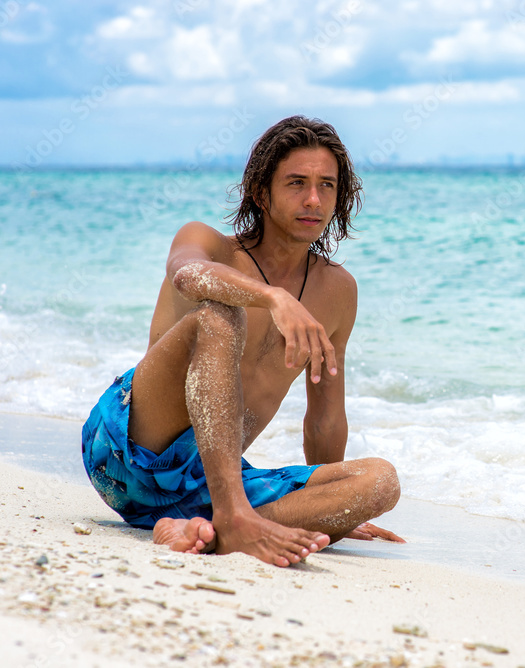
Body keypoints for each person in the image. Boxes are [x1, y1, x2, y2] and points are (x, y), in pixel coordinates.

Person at [81, 116, 403, 567]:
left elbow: (325, 418)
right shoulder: (207, 243)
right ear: (260, 192)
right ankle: (234, 519)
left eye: (327, 185)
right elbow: (186, 273)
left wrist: (334, 507)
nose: (314, 199)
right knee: (219, 314)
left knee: (381, 481)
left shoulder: (338, 292)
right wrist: (272, 297)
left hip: (212, 482)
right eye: (296, 183)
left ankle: (208, 529)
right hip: (129, 450)